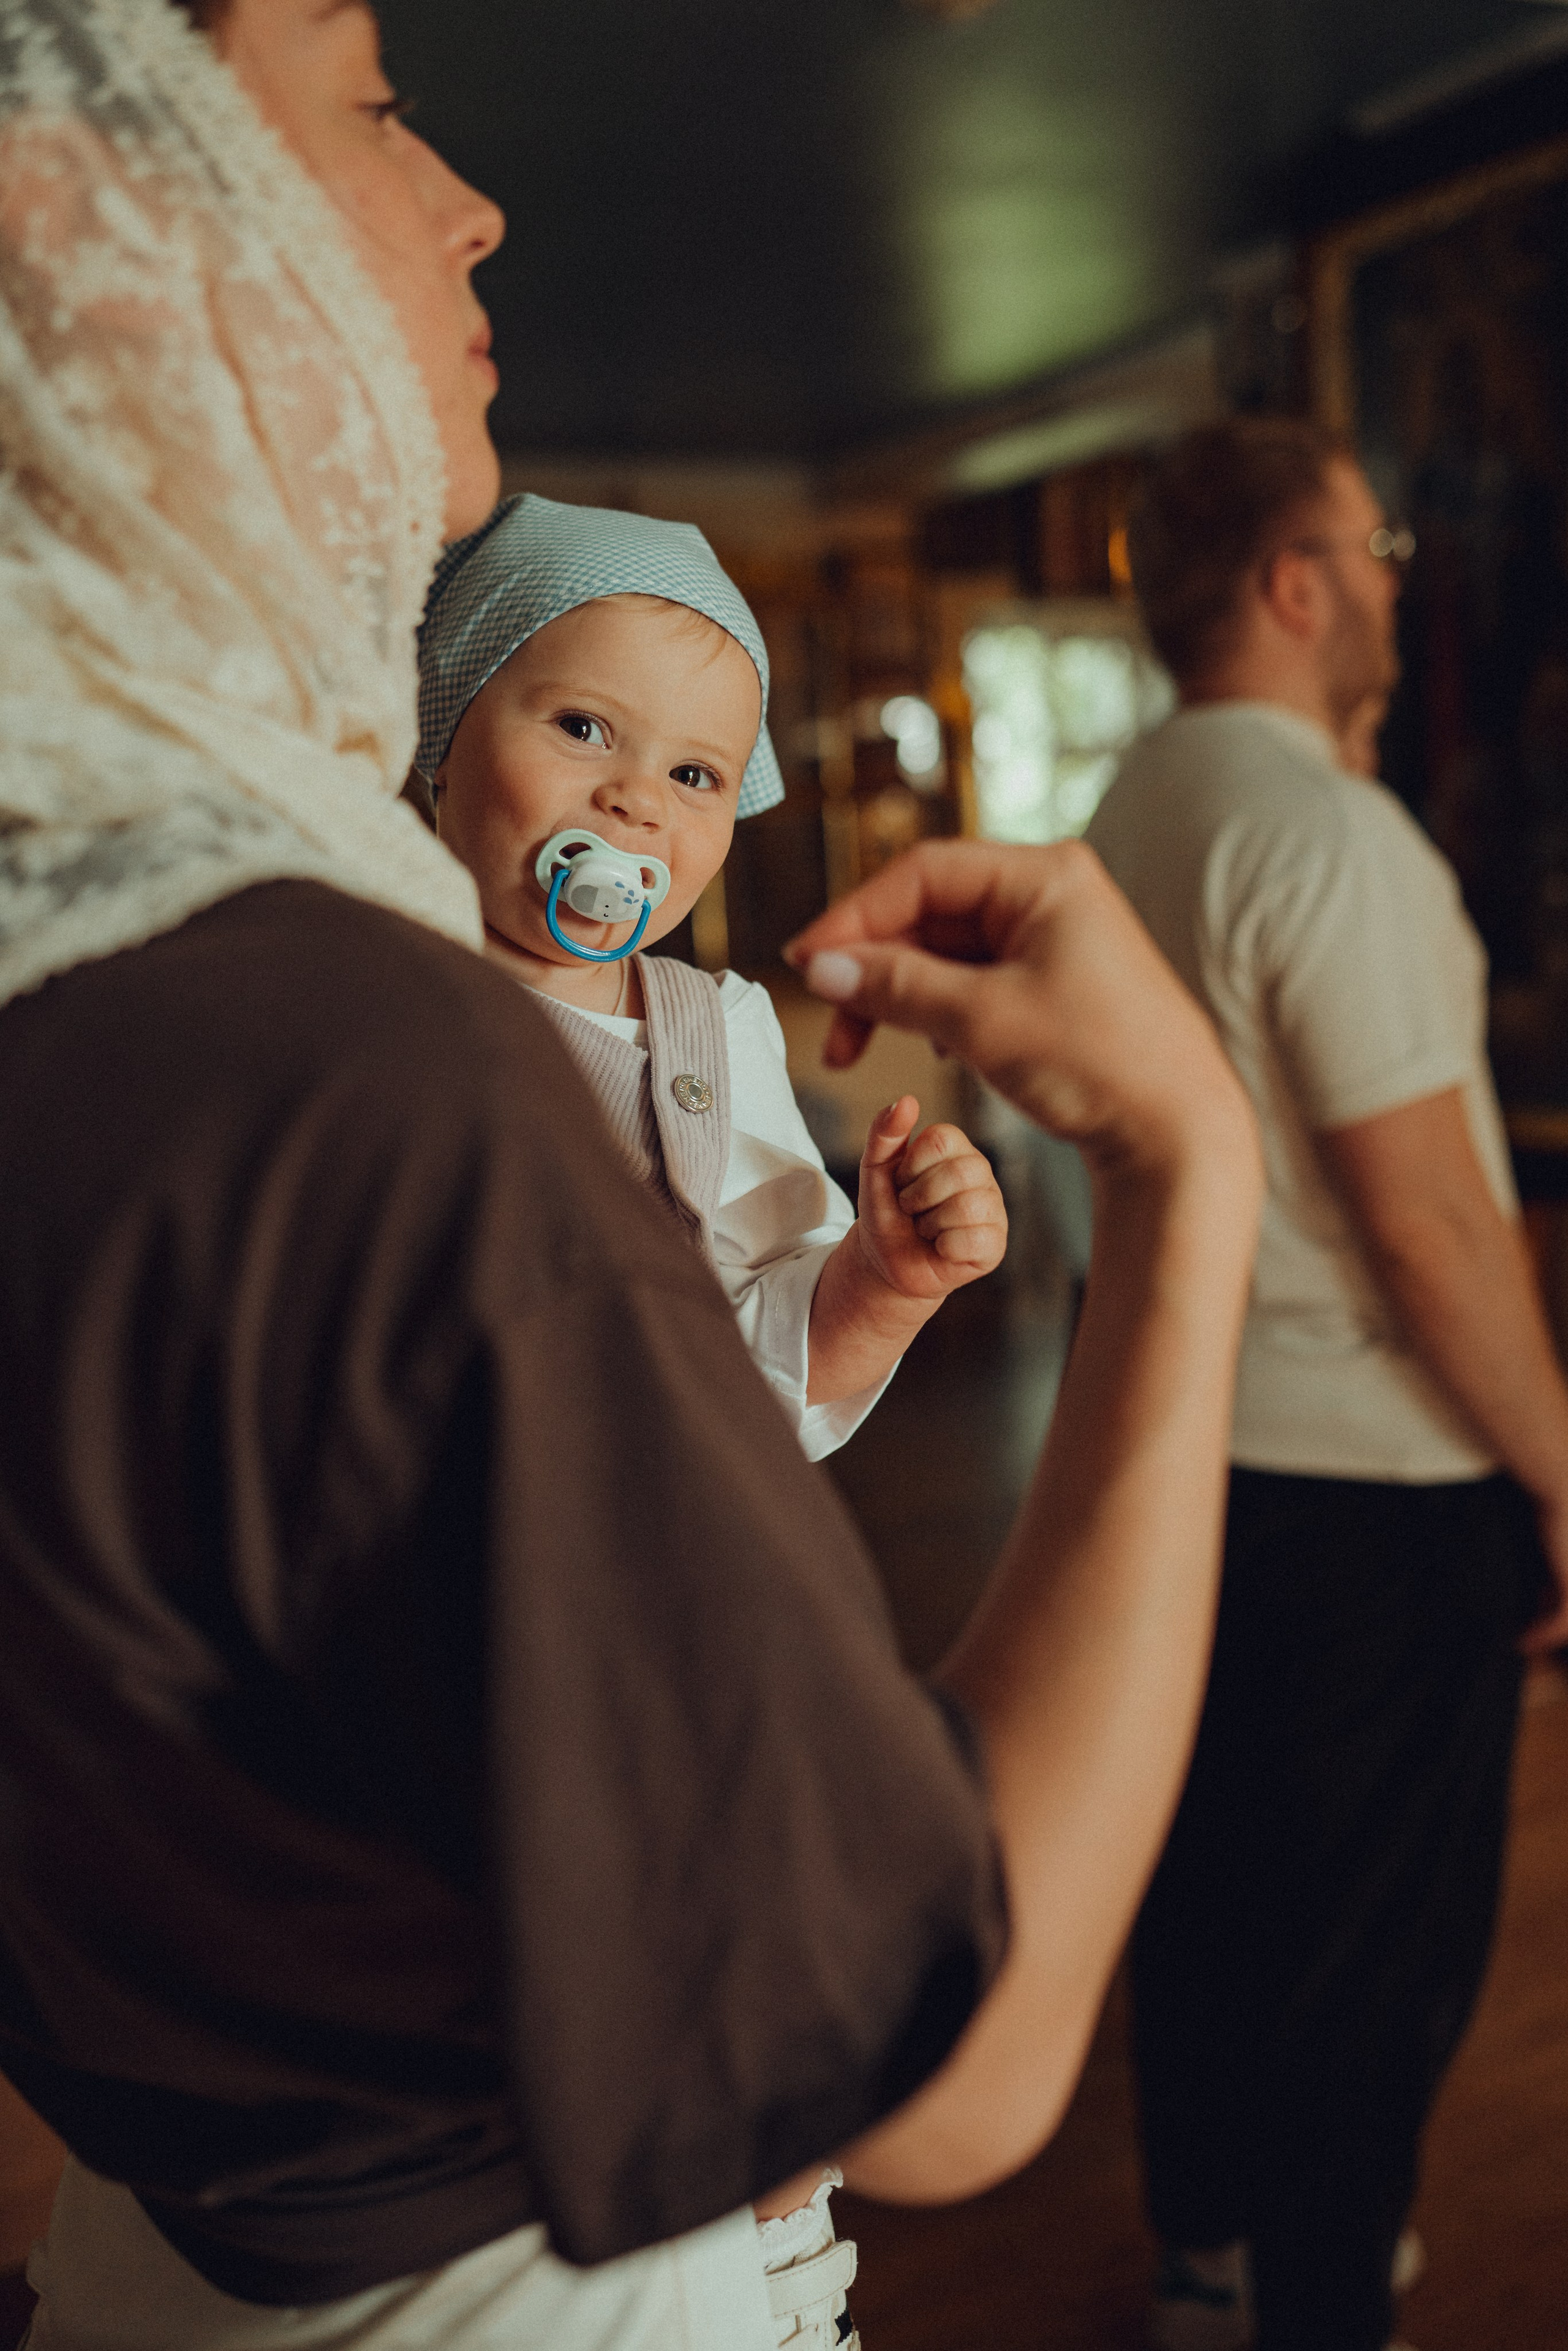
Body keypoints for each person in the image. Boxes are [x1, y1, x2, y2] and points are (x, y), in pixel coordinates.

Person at [0, 4, 1261, 2348]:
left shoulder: (75, 963)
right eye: (368, 98)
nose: (474, 197)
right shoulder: (370, 1075)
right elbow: (948, 2071)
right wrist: (1189, 1170)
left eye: (698, 773)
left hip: (160, 2242)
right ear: (80, 205)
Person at [1086, 417, 1568, 2351]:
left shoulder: (1139, 805)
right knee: (1372, 1965)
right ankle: (1313, 2312)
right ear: (1294, 584)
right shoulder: (1330, 838)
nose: (1398, 575)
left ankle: (1208, 2261)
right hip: (1370, 1493)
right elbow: (1434, 1232)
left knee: (1207, 1896)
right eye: (1373, 544)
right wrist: (1561, 1469)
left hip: (1190, 1455)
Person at [417, 493, 1008, 1468]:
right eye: (583, 726)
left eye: (695, 776)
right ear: (442, 729)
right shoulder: (363, 985)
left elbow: (751, 1377)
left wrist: (879, 1283)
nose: (638, 799)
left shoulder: (714, 1035)